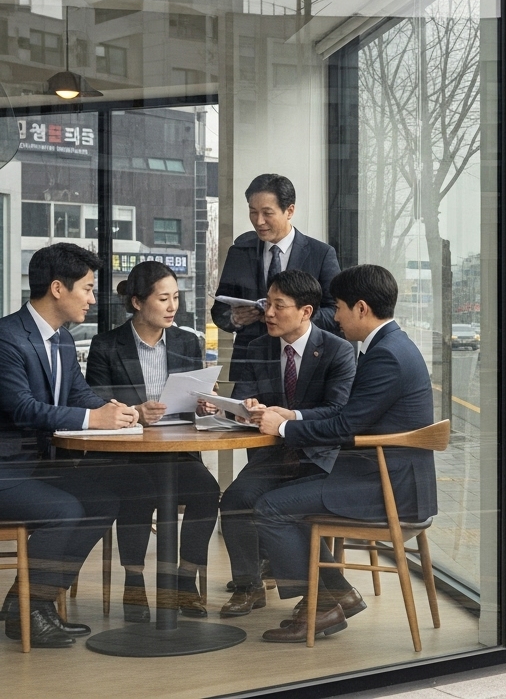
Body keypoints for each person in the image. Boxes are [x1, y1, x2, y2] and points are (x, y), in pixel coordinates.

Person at [253, 265, 435, 643]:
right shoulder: (393, 345)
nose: (334, 316)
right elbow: (349, 414)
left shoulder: (385, 356)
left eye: (338, 307)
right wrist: (294, 415)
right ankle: (336, 596)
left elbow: (344, 427)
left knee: (270, 506)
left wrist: (283, 428)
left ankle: (322, 606)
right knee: (292, 500)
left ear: (362, 308)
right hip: (385, 477)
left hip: (387, 488)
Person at [0, 243, 138, 647]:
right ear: (58, 288)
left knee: (104, 500)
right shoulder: (7, 338)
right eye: (89, 289)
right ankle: (30, 608)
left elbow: (78, 394)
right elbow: (23, 409)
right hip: (6, 471)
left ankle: (28, 603)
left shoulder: (60, 339)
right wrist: (95, 419)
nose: (93, 299)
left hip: (33, 469)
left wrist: (120, 412)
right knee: (64, 509)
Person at [85, 260, 220, 622]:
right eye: (163, 298)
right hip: (129, 455)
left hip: (177, 452)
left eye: (176, 297)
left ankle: (185, 581)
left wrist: (205, 403)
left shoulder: (187, 341)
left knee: (208, 493)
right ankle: (133, 581)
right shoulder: (107, 346)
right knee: (138, 491)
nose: (172, 306)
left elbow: (197, 406)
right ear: (137, 303)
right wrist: (135, 412)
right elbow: (95, 403)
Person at [216, 269, 356, 618]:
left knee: (278, 505)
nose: (269, 314)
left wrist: (289, 417)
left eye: (280, 306)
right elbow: (243, 396)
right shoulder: (256, 346)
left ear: (306, 311)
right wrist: (244, 407)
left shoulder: (338, 351)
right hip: (274, 455)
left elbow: (337, 412)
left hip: (318, 456)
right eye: (268, 304)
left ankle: (321, 597)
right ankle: (249, 586)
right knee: (234, 500)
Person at [211, 174, 340, 383]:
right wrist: (234, 319)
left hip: (302, 363)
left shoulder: (320, 254)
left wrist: (293, 318)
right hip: (250, 364)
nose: (259, 221)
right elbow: (219, 311)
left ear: (289, 210)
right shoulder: (240, 251)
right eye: (253, 212)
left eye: (267, 213)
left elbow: (335, 312)